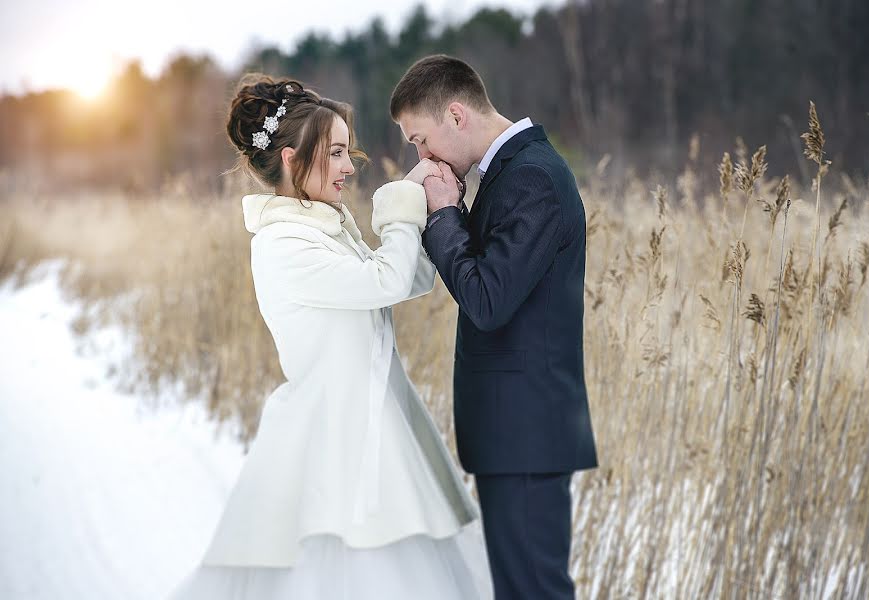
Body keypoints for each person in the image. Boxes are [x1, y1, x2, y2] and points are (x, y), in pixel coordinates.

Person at [166, 74, 492, 599]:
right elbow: (383, 280)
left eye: (348, 151)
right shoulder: (283, 244)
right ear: (292, 160)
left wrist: (435, 210)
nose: (348, 167)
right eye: (336, 153)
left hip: (373, 427)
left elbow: (406, 278)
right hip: (331, 444)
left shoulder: (325, 228)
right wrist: (404, 197)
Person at [390, 55, 599, 600]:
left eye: (420, 140)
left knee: (534, 592)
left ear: (456, 116)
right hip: (516, 435)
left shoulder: (532, 178)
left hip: (527, 434)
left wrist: (442, 217)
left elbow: (486, 299)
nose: (421, 157)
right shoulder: (510, 173)